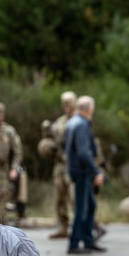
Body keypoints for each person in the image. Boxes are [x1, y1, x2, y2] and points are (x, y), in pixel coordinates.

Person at [65, 95, 107, 255]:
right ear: (89, 109)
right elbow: (83, 152)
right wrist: (96, 171)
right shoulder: (81, 125)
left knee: (91, 206)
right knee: (81, 208)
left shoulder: (71, 123)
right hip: (82, 172)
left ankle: (89, 240)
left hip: (76, 170)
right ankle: (74, 243)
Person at [42, 91, 77, 239]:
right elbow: (49, 139)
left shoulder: (78, 121)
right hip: (59, 165)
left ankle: (81, 227)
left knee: (74, 197)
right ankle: (63, 226)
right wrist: (46, 129)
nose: (66, 105)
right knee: (59, 197)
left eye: (69, 102)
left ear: (75, 102)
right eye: (64, 103)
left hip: (73, 165)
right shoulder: (60, 122)